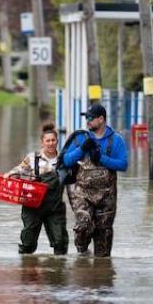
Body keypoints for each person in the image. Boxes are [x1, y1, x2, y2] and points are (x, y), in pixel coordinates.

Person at [62, 104, 127, 257]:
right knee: (83, 225)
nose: (87, 121)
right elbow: (65, 160)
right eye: (86, 118)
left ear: (101, 119)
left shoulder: (116, 139)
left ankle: (100, 275)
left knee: (103, 241)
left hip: (107, 196)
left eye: (90, 118)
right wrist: (81, 149)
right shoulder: (79, 138)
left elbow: (123, 165)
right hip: (82, 193)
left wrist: (101, 158)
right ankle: (82, 252)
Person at [5, 123, 69, 255]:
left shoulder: (64, 159)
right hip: (32, 205)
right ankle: (26, 267)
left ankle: (58, 272)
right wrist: (9, 175)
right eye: (48, 141)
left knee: (60, 242)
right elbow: (19, 169)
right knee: (28, 244)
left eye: (53, 140)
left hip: (54, 207)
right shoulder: (32, 157)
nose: (51, 143)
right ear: (42, 142)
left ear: (57, 141)